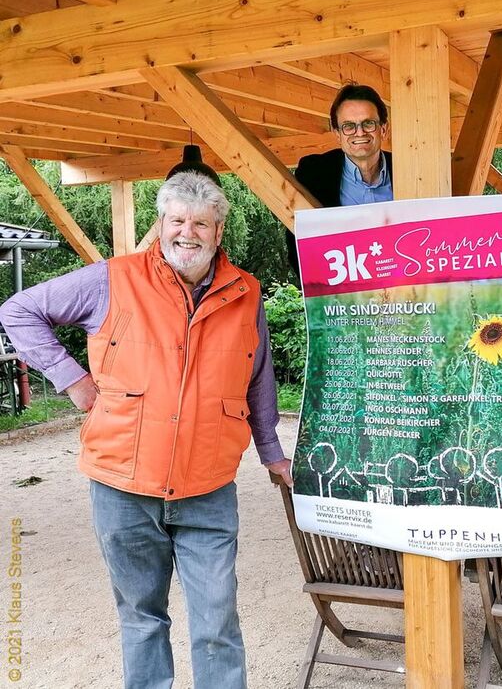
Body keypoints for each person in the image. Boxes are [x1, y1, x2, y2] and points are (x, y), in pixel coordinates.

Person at [0, 169, 292, 689]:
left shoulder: (245, 291)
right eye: (177, 220)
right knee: (141, 617)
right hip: (123, 483)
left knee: (217, 621)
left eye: (201, 223)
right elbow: (19, 310)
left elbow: (259, 373)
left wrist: (272, 452)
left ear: (218, 231)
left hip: (208, 484)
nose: (188, 232)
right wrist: (73, 381)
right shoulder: (113, 278)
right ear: (160, 224)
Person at [286, 83, 392, 275]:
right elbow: (297, 248)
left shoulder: (410, 170)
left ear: (383, 129)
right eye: (349, 126)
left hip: (409, 296)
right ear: (337, 133)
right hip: (343, 298)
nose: (359, 133)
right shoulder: (314, 174)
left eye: (368, 123)